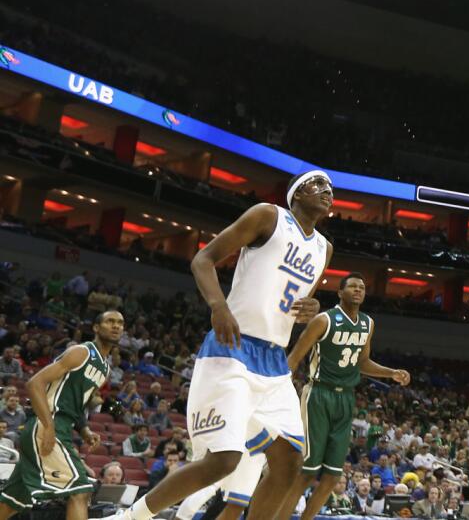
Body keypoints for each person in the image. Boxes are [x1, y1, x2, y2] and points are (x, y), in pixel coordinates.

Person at [101, 170, 332, 520]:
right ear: (296, 194)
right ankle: (129, 518)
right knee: (223, 460)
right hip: (234, 348)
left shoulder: (324, 249)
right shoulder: (268, 216)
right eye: (317, 185)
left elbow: (297, 303)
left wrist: (312, 308)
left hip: (273, 360)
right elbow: (203, 259)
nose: (327, 191)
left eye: (331, 188)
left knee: (289, 463)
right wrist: (218, 306)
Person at [288, 272, 410, 520]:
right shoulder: (324, 320)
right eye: (352, 286)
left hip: (346, 399)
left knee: (333, 474)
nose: (358, 290)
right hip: (318, 393)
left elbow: (362, 362)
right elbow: (294, 358)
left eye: (362, 287)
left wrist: (391, 373)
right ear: (339, 293)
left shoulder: (368, 323)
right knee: (308, 471)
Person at [0, 310, 124, 520]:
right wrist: (48, 426)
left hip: (62, 427)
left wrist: (84, 430)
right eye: (110, 321)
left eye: (120, 323)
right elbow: (34, 383)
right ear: (95, 327)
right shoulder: (81, 352)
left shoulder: (104, 368)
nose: (116, 326)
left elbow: (76, 405)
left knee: (12, 502)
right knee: (81, 490)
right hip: (46, 423)